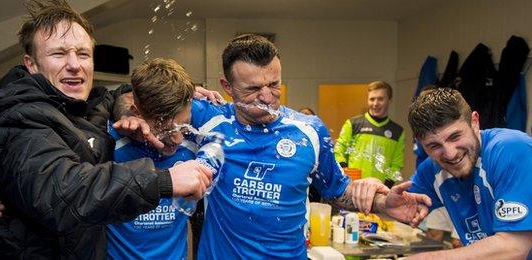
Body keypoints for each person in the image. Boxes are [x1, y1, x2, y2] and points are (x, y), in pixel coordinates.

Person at [0, 0, 212, 258]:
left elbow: (121, 94)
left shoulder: (90, 105)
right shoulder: (17, 119)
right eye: (58, 54)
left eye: (83, 54)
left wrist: (173, 95)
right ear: (31, 64)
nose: (75, 64)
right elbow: (61, 194)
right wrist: (164, 180)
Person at [174, 34, 430, 258]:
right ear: (227, 87)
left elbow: (338, 191)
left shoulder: (310, 130)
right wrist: (181, 94)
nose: (266, 97)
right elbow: (149, 113)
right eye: (252, 89)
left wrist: (384, 204)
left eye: (274, 85)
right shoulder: (208, 117)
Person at [407, 87, 532, 259]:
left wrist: (425, 258)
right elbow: (401, 203)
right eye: (434, 146)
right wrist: (375, 195)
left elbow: (513, 248)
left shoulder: (511, 149)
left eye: (455, 137)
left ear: (474, 122)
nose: (450, 153)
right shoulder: (433, 168)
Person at [106, 58, 197, 259]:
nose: (177, 139)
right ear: (136, 113)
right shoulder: (108, 145)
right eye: (165, 130)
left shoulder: (194, 144)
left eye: (184, 126)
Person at [335, 81, 405, 185]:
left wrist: (386, 187)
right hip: (353, 187)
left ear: (389, 100)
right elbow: (339, 151)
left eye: (380, 99)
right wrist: (345, 176)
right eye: (372, 99)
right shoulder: (353, 124)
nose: (375, 103)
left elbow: (397, 164)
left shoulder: (397, 131)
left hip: (380, 190)